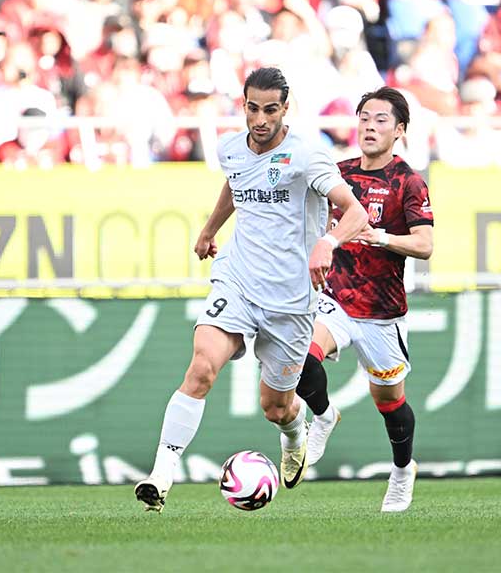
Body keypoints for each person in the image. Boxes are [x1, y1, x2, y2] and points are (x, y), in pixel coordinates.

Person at [134, 67, 368, 512]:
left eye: (270, 110)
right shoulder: (230, 148)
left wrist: (328, 242)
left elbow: (356, 212)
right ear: (243, 105)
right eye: (253, 109)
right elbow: (236, 184)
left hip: (291, 300)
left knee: (276, 408)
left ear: (285, 109)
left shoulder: (307, 156)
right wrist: (209, 229)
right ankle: (160, 476)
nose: (260, 120)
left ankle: (296, 432)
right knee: (202, 366)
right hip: (238, 279)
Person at [294, 87, 434, 512]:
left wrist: (382, 238)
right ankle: (323, 416)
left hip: (381, 312)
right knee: (300, 356)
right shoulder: (338, 175)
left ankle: (402, 471)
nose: (370, 127)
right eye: (364, 118)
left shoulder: (408, 181)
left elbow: (425, 244)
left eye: (381, 120)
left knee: (389, 402)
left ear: (400, 130)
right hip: (334, 298)